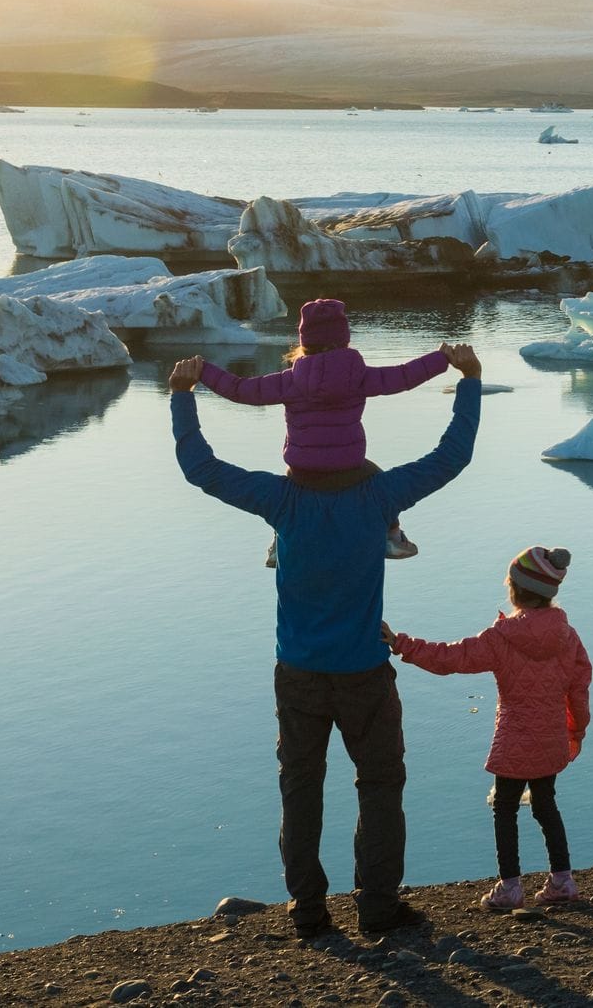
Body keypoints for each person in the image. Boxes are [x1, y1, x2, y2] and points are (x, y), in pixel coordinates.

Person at [169, 344, 482, 939]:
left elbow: (201, 469)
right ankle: (378, 908)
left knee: (301, 786)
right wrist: (468, 381)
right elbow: (452, 456)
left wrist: (184, 397)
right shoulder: (378, 498)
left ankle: (308, 911)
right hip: (364, 668)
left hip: (299, 673)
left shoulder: (281, 500)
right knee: (381, 785)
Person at [383, 545, 591, 910]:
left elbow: (451, 658)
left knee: (505, 808)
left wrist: (402, 644)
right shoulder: (567, 635)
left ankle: (510, 887)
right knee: (546, 806)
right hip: (551, 738)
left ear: (513, 589)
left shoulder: (502, 638)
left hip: (513, 740)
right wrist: (576, 729)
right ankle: (562, 880)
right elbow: (579, 683)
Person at [196, 298, 451, 565]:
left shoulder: (290, 380)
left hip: (302, 473)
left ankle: (277, 541)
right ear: (345, 338)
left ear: (304, 341)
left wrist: (204, 370)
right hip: (350, 469)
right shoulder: (359, 376)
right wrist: (441, 358)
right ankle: (392, 536)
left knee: (283, 496)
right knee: (378, 478)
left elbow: (241, 390)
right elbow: (403, 376)